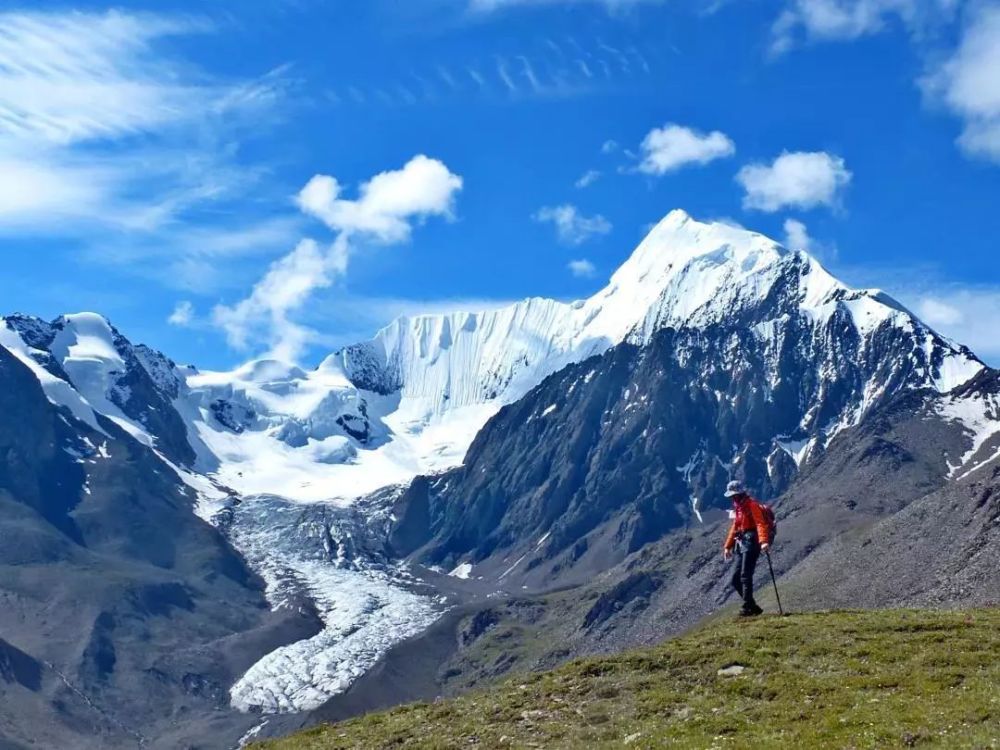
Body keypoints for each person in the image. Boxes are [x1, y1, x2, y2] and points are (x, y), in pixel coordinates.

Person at [722, 480, 771, 617]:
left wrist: (763, 541)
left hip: (752, 542)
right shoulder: (739, 508)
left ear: (740, 494)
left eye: (734, 495)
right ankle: (752, 605)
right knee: (735, 579)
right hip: (742, 543)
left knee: (745, 575)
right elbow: (735, 527)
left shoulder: (751, 505)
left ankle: (748, 607)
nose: (732, 498)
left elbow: (760, 523)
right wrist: (728, 546)